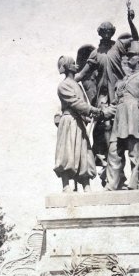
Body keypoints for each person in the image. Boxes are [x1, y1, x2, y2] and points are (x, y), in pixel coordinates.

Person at [75, 1, 139, 180]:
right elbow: (84, 73)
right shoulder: (95, 53)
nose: (105, 34)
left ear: (112, 32)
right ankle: (109, 169)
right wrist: (70, 79)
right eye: (103, 32)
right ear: (99, 33)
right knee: (106, 131)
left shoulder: (118, 46)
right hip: (103, 97)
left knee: (123, 133)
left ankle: (120, 173)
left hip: (120, 94)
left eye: (109, 32)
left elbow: (135, 38)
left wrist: (130, 21)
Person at [106, 41, 139, 190]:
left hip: (134, 115)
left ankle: (135, 184)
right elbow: (117, 99)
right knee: (114, 151)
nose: (128, 58)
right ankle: (112, 184)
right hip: (120, 117)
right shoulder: (123, 80)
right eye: (127, 56)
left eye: (132, 55)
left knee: (135, 153)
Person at [54, 55, 103, 193]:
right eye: (73, 63)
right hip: (69, 122)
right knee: (68, 153)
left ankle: (86, 184)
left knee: (84, 153)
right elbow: (75, 103)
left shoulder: (77, 85)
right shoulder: (63, 86)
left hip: (79, 122)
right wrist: (92, 110)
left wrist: (89, 117)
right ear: (68, 66)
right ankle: (66, 185)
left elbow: (83, 104)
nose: (76, 66)